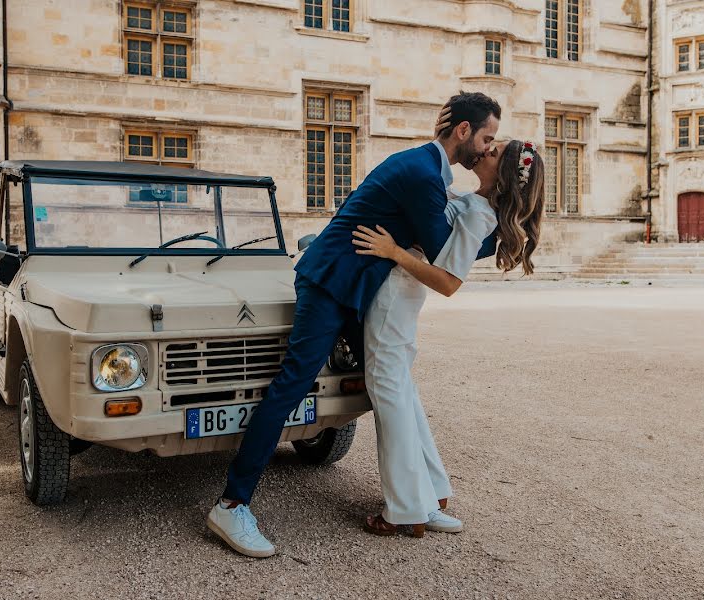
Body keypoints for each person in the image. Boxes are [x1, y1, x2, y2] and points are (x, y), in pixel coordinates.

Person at [206, 92, 502, 558]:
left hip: (358, 291)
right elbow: (448, 255)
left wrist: (501, 214)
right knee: (291, 386)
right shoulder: (423, 174)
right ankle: (231, 503)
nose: (488, 148)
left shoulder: (431, 171)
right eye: (487, 137)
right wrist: (503, 210)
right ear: (463, 131)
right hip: (329, 283)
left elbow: (454, 244)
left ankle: (420, 500)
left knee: (395, 386)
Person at [351, 134, 545, 537]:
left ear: (505, 174)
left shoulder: (479, 213)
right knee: (402, 392)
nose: (485, 151)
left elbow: (449, 282)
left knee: (389, 397)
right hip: (402, 297)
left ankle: (405, 511)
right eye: (489, 144)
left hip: (396, 295)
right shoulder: (475, 201)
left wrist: (393, 252)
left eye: (494, 152)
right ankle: (432, 493)